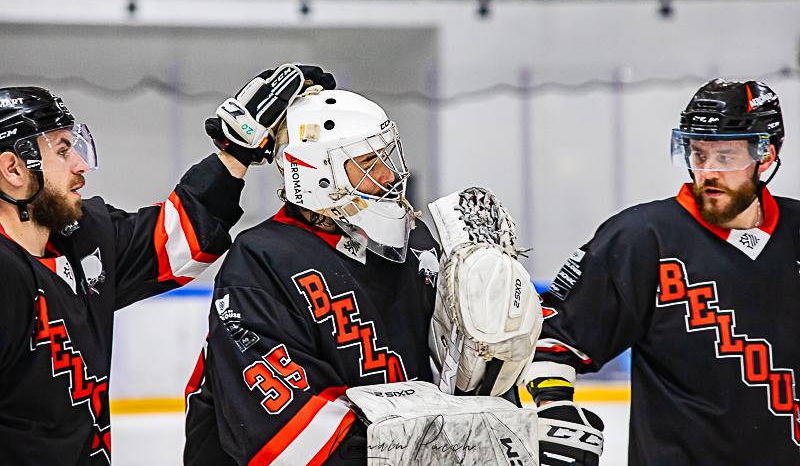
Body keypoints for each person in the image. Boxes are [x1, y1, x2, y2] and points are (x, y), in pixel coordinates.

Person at [183, 85, 542, 464]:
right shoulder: (262, 260)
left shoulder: (418, 245)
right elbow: (284, 436)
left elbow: (460, 380)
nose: (390, 174)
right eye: (369, 162)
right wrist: (441, 448)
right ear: (319, 174)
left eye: (387, 156)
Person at [0, 65, 312, 464]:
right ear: (13, 169)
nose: (80, 164)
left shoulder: (82, 241)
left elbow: (178, 240)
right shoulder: (7, 275)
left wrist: (236, 151)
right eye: (62, 150)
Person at [527, 79, 799, 464]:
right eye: (698, 154)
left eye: (725, 158)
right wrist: (553, 407)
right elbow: (555, 336)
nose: (707, 172)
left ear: (766, 156)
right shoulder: (641, 240)